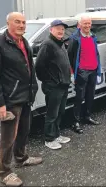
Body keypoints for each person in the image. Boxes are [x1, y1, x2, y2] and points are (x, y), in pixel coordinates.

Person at [0, 12, 42, 186]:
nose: (22, 25)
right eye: (17, 22)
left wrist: (33, 89)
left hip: (25, 96)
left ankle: (21, 157)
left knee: (24, 130)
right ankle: (5, 171)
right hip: (10, 100)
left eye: (24, 22)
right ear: (8, 23)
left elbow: (29, 68)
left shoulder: (24, 42)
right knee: (8, 138)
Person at [35, 20, 71, 150]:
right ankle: (49, 139)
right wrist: (50, 81)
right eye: (57, 28)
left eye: (62, 29)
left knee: (60, 111)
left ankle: (56, 134)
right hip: (54, 86)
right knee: (52, 113)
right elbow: (39, 66)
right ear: (51, 30)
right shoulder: (47, 44)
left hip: (63, 85)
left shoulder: (60, 43)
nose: (61, 31)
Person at [68, 15, 101, 134]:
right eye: (85, 24)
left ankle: (87, 117)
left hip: (93, 70)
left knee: (90, 96)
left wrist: (98, 70)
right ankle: (75, 121)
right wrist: (72, 74)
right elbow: (70, 57)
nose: (87, 26)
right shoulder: (74, 38)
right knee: (79, 97)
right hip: (81, 72)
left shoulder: (93, 36)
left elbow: (96, 54)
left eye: (89, 24)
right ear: (79, 25)